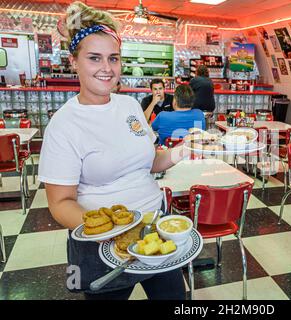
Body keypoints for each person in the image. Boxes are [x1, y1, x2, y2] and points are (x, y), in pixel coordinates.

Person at [38, 1, 187, 300]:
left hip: (155, 227)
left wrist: (185, 150)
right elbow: (61, 203)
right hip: (98, 246)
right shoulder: (64, 124)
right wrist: (113, 230)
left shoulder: (131, 106)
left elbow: (148, 162)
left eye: (113, 58)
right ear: (74, 61)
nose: (107, 69)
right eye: (95, 58)